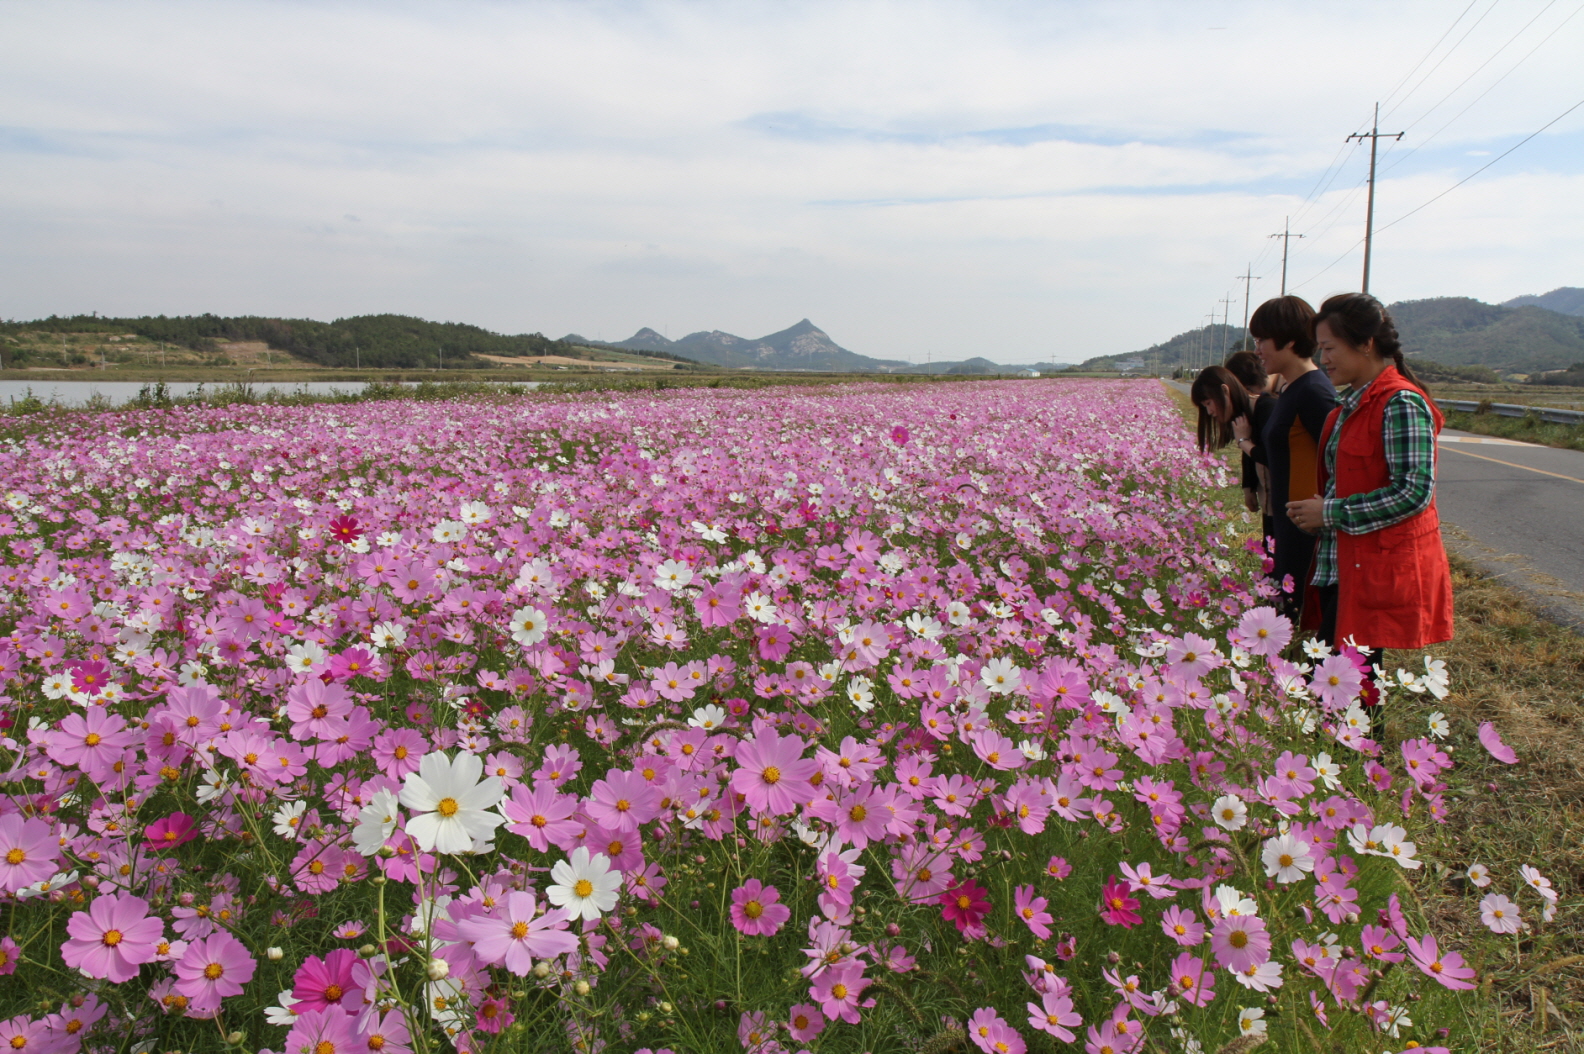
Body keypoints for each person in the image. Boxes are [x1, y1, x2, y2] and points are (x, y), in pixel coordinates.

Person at [1286, 293, 1453, 676]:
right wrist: (1319, 510)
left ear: (1365, 344)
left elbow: (1414, 492)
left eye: (1330, 347)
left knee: (1344, 684)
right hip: (1344, 563)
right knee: (1341, 682)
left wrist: (1329, 512)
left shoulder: (1400, 403)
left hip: (1371, 568)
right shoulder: (1351, 405)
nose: (1323, 358)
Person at [1251, 296, 1337, 621]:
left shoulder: (1314, 391)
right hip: (1289, 522)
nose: (1257, 350)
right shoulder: (1290, 389)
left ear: (1288, 340)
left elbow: (1339, 459)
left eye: (1261, 340)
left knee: (1299, 616)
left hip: (1307, 529)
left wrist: (1325, 510)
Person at [1224, 350, 1277, 545]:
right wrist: (1249, 487)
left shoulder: (1268, 405)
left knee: (1273, 541)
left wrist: (1242, 441)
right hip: (1267, 490)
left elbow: (1265, 453)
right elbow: (1249, 450)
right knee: (1270, 539)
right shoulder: (1258, 404)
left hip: (1279, 492)